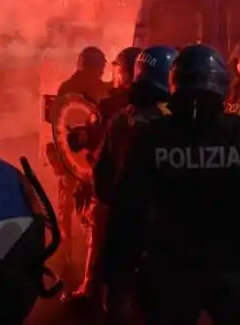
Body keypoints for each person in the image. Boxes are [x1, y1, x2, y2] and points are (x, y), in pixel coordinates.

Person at [102, 44, 240, 325]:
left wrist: (117, 281)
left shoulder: (153, 138)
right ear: (221, 84)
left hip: (168, 274)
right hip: (232, 272)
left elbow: (126, 212)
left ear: (175, 84)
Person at [65, 46, 178, 306]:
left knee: (117, 280)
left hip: (124, 212)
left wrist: (109, 199)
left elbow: (102, 170)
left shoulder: (119, 115)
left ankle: (92, 288)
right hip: (167, 222)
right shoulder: (181, 119)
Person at [60, 46, 141, 305]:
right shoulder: (162, 104)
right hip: (145, 189)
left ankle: (90, 288)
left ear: (126, 72)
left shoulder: (109, 105)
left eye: (116, 68)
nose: (110, 73)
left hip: (110, 187)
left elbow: (87, 137)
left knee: (98, 235)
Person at [44, 45, 111, 290]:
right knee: (70, 216)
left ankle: (76, 265)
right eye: (100, 65)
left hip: (86, 164)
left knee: (81, 216)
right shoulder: (71, 90)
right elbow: (60, 129)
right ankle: (66, 267)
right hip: (75, 163)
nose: (102, 69)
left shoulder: (95, 89)